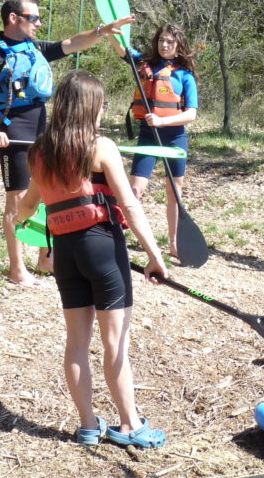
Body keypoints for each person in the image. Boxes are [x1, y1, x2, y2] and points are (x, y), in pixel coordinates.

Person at [16, 70, 168, 448]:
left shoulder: (39, 153)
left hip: (66, 255)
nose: (103, 112)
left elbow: (26, 208)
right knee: (115, 343)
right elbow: (129, 206)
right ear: (89, 108)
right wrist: (155, 256)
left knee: (77, 344)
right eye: (102, 105)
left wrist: (39, 228)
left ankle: (87, 425)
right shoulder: (101, 147)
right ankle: (130, 425)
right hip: (103, 249)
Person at [0, 0, 131, 288]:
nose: (39, 23)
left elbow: (71, 44)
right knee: (17, 201)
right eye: (33, 18)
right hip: (13, 137)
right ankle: (17, 269)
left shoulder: (33, 49)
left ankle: (45, 258)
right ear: (14, 18)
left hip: (43, 134)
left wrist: (102, 31)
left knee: (47, 197)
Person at [104, 21, 198, 261]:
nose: (164, 45)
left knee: (174, 193)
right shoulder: (143, 64)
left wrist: (162, 122)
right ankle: (117, 236)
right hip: (148, 135)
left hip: (175, 138)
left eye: (169, 41)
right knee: (135, 190)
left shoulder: (184, 75)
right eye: (161, 41)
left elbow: (191, 114)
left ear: (178, 45)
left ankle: (174, 244)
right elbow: (120, 47)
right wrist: (109, 28)